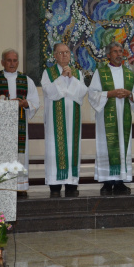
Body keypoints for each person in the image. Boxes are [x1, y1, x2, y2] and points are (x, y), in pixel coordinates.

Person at [88, 42, 134, 195]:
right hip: (105, 119)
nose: (119, 54)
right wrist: (109, 94)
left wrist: (130, 95)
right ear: (108, 55)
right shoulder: (100, 73)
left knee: (122, 147)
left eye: (121, 51)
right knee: (106, 147)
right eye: (115, 51)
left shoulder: (129, 73)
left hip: (123, 117)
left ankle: (120, 181)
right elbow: (92, 94)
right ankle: (107, 182)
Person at [0, 48, 40, 197]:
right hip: (0, 126)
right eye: (9, 60)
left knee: (19, 155)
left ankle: (19, 187)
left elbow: (35, 101)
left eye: (15, 60)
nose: (12, 63)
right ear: (2, 62)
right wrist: (5, 104)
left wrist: (26, 103)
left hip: (19, 125)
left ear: (18, 62)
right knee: (2, 154)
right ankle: (3, 188)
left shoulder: (26, 80)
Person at [41, 43, 89, 197]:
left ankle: (71, 184)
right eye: (60, 53)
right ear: (54, 56)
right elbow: (50, 93)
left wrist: (72, 79)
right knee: (55, 150)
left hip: (73, 120)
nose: (64, 55)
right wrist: (62, 78)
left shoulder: (77, 73)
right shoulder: (48, 73)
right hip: (55, 122)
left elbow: (81, 93)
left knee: (73, 149)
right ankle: (55, 186)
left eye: (67, 52)